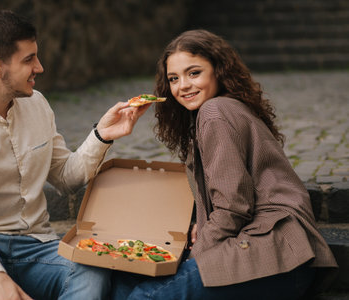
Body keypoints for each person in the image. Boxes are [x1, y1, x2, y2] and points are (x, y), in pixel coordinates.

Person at [0, 9, 150, 300]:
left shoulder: (38, 104)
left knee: (91, 271)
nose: (40, 67)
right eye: (29, 59)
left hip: (37, 247)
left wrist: (103, 135)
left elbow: (67, 177)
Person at [111, 29, 338, 300]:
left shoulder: (214, 112)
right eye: (174, 78)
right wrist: (203, 225)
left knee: (142, 297)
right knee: (121, 285)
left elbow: (233, 207)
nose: (182, 85)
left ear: (218, 71)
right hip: (275, 255)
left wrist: (193, 255)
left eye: (194, 73)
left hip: (276, 256)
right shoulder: (223, 109)